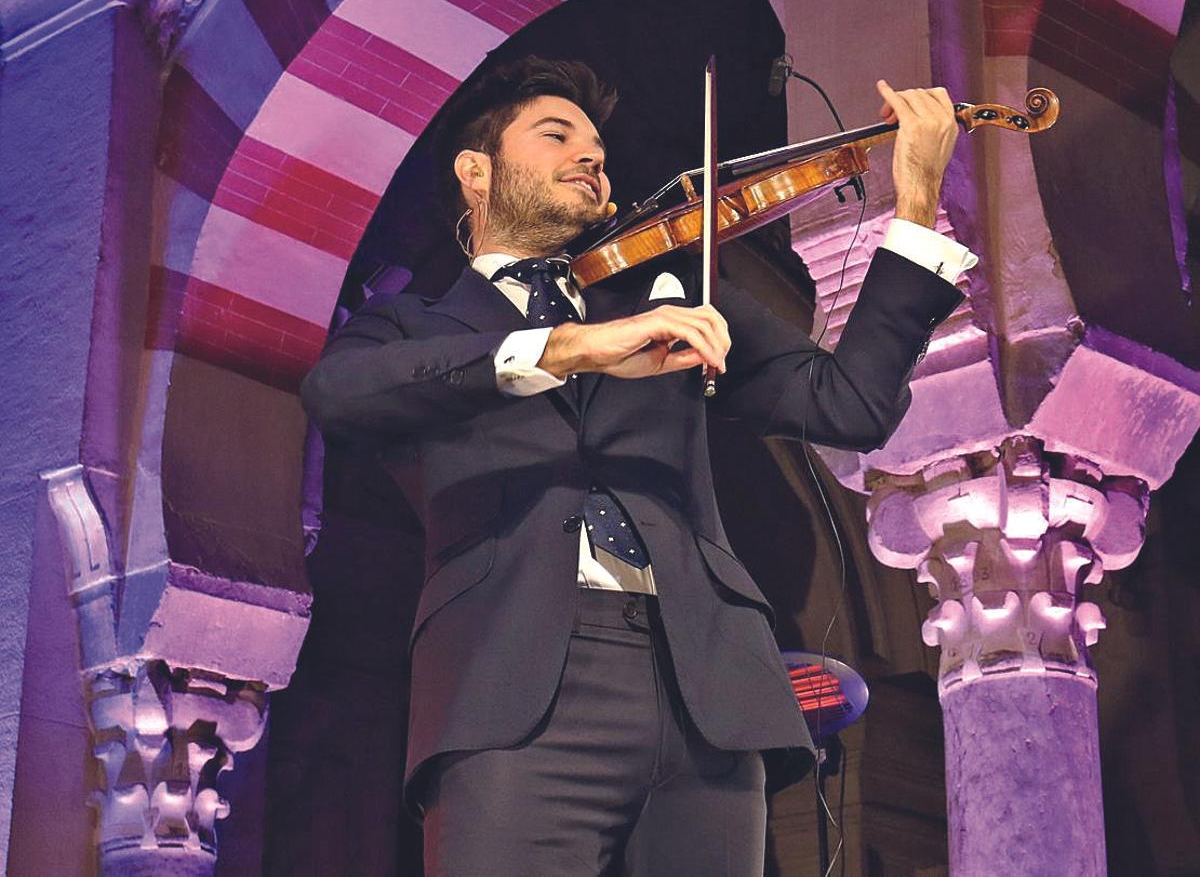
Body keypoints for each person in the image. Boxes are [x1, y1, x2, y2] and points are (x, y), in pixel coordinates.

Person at [300, 56, 973, 876]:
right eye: (557, 136)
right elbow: (339, 391)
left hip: (707, 682)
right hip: (510, 692)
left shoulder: (666, 296)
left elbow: (850, 403)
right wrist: (573, 347)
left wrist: (916, 206)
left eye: (598, 149)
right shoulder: (414, 327)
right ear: (476, 172)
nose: (591, 156)